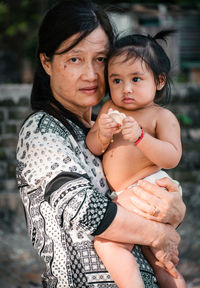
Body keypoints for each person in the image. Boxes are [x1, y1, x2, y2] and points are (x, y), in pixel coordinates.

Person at [16, 1, 186, 287]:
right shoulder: (43, 130)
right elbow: (85, 209)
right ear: (47, 62)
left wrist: (172, 211)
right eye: (75, 59)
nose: (91, 74)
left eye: (100, 59)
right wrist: (157, 233)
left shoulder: (108, 126)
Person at [86, 31, 186, 288]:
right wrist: (102, 133)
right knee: (160, 260)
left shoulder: (160, 117)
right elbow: (93, 147)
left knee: (108, 243)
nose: (125, 89)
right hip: (126, 195)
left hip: (149, 190)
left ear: (160, 81)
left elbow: (172, 156)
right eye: (116, 80)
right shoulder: (109, 109)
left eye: (136, 79)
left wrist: (141, 138)